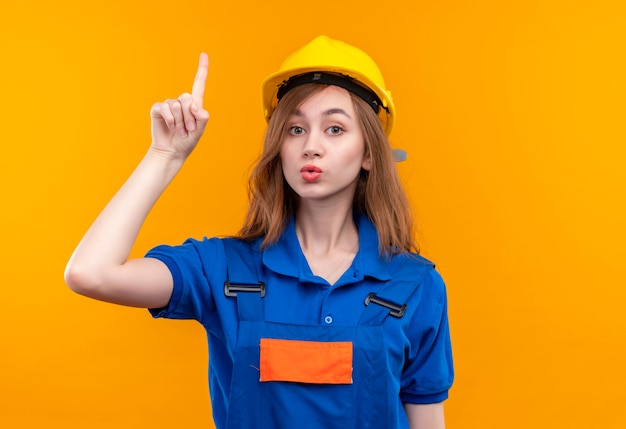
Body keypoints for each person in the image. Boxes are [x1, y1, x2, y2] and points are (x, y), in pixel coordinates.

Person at [65, 35, 454, 429]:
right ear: (279, 146)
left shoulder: (415, 286)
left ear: (369, 152)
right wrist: (164, 156)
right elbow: (90, 273)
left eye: (334, 129)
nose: (311, 146)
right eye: (295, 129)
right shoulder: (222, 269)